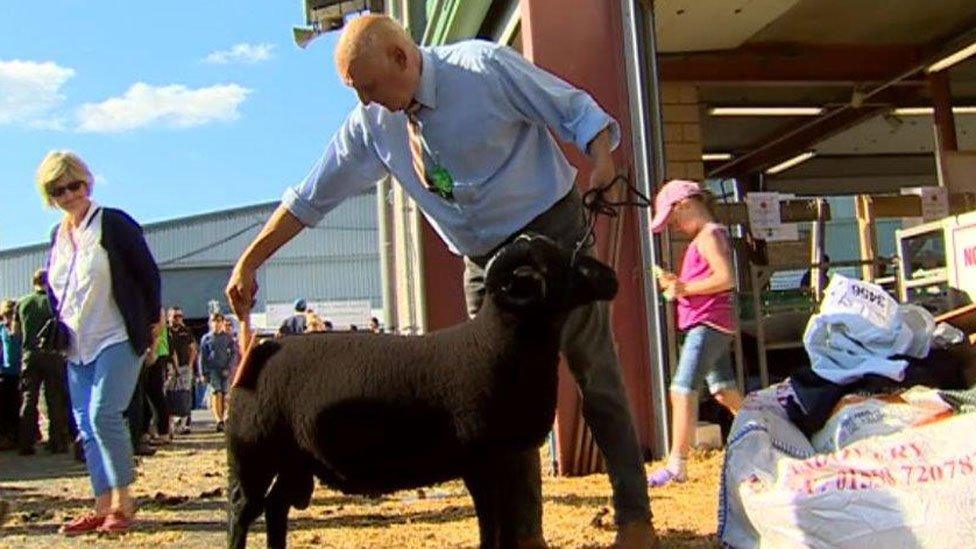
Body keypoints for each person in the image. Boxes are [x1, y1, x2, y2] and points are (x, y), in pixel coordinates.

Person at [225, 15, 656, 546]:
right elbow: (311, 197)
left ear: (401, 59)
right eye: (356, 93)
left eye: (368, 87)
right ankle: (522, 536)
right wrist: (251, 258)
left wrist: (602, 161)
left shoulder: (482, 68)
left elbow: (575, 111)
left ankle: (634, 517)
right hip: (485, 264)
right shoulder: (372, 126)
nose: (365, 102)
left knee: (595, 369)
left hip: (551, 239)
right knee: (498, 405)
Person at [36, 151, 161, 534]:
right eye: (60, 190)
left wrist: (154, 324)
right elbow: (58, 289)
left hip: (117, 334)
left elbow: (147, 274)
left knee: (104, 415)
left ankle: (124, 502)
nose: (70, 194)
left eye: (76, 185)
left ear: (87, 183)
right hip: (78, 342)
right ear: (50, 196)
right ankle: (101, 502)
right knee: (85, 427)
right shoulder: (58, 236)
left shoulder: (114, 223)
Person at [646, 180, 744, 487]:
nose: (674, 227)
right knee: (724, 391)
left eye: (674, 220)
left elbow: (726, 278)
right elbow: (711, 279)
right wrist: (678, 283)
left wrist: (683, 288)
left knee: (682, 389)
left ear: (686, 204)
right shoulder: (706, 237)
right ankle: (769, 430)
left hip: (707, 323)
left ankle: (677, 464)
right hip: (710, 322)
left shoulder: (709, 235)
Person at [16, 268, 71, 455]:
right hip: (53, 354)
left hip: (29, 355)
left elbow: (16, 331)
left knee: (29, 397)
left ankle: (26, 442)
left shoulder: (23, 303)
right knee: (54, 397)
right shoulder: (56, 303)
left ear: (34, 282)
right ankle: (57, 441)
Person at [198, 313, 236, 432]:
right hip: (212, 369)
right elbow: (202, 356)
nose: (217, 323)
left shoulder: (228, 337)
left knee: (225, 395)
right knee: (216, 392)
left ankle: (224, 417)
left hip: (224, 369)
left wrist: (229, 367)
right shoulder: (206, 338)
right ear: (210, 323)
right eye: (214, 321)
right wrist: (203, 372)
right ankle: (218, 419)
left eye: (219, 321)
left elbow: (233, 354)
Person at [166, 307, 196, 434]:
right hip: (170, 367)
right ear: (169, 317)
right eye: (175, 316)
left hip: (184, 366)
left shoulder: (186, 331)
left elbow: (193, 348)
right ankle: (170, 425)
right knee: (170, 394)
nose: (178, 319)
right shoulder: (166, 331)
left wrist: (190, 365)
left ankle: (184, 424)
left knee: (185, 394)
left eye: (180, 316)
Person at [0, 300, 22, 450]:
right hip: (5, 373)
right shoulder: (1, 329)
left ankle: (14, 436)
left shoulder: (20, 329)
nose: (10, 318)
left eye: (12, 314)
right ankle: (8, 436)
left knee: (15, 405)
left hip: (17, 372)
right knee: (7, 406)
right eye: (7, 315)